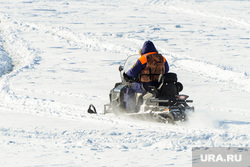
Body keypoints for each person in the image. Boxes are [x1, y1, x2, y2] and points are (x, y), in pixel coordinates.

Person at [123, 40, 169, 112]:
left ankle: (130, 110)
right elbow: (167, 70)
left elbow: (133, 72)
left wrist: (126, 75)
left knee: (130, 87)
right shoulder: (162, 58)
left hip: (146, 85)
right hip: (160, 85)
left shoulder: (143, 58)